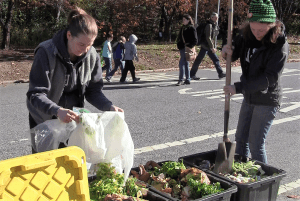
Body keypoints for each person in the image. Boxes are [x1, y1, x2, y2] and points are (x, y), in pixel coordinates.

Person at [26, 7, 123, 154]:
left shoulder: (92, 55)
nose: (85, 50)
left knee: (72, 162)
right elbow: (36, 94)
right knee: (46, 164)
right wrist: (57, 110)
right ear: (69, 35)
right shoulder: (46, 52)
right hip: (44, 118)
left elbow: (93, 91)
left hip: (73, 119)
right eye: (82, 44)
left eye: (90, 45)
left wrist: (108, 106)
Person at [222, 0, 289, 163]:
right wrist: (225, 51)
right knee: (241, 139)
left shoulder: (279, 44)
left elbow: (269, 78)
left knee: (256, 143)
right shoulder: (247, 35)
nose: (257, 33)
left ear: (272, 25)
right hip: (249, 96)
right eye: (253, 28)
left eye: (261, 29)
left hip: (267, 99)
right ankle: (242, 176)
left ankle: (263, 182)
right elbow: (234, 53)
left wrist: (237, 87)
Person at [190, 12, 226, 80]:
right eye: (215, 17)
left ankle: (220, 73)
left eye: (217, 17)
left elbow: (214, 36)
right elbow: (208, 37)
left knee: (215, 59)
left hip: (208, 46)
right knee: (199, 60)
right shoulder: (209, 25)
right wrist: (212, 47)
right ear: (211, 18)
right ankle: (192, 74)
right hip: (205, 46)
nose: (216, 18)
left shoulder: (215, 25)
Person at [176, 14, 197, 86]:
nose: (183, 21)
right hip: (182, 47)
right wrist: (179, 45)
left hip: (187, 48)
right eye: (183, 20)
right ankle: (187, 79)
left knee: (182, 63)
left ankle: (181, 80)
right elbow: (179, 38)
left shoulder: (191, 28)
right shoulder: (182, 28)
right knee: (185, 63)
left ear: (188, 20)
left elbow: (195, 40)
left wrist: (189, 46)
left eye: (184, 20)